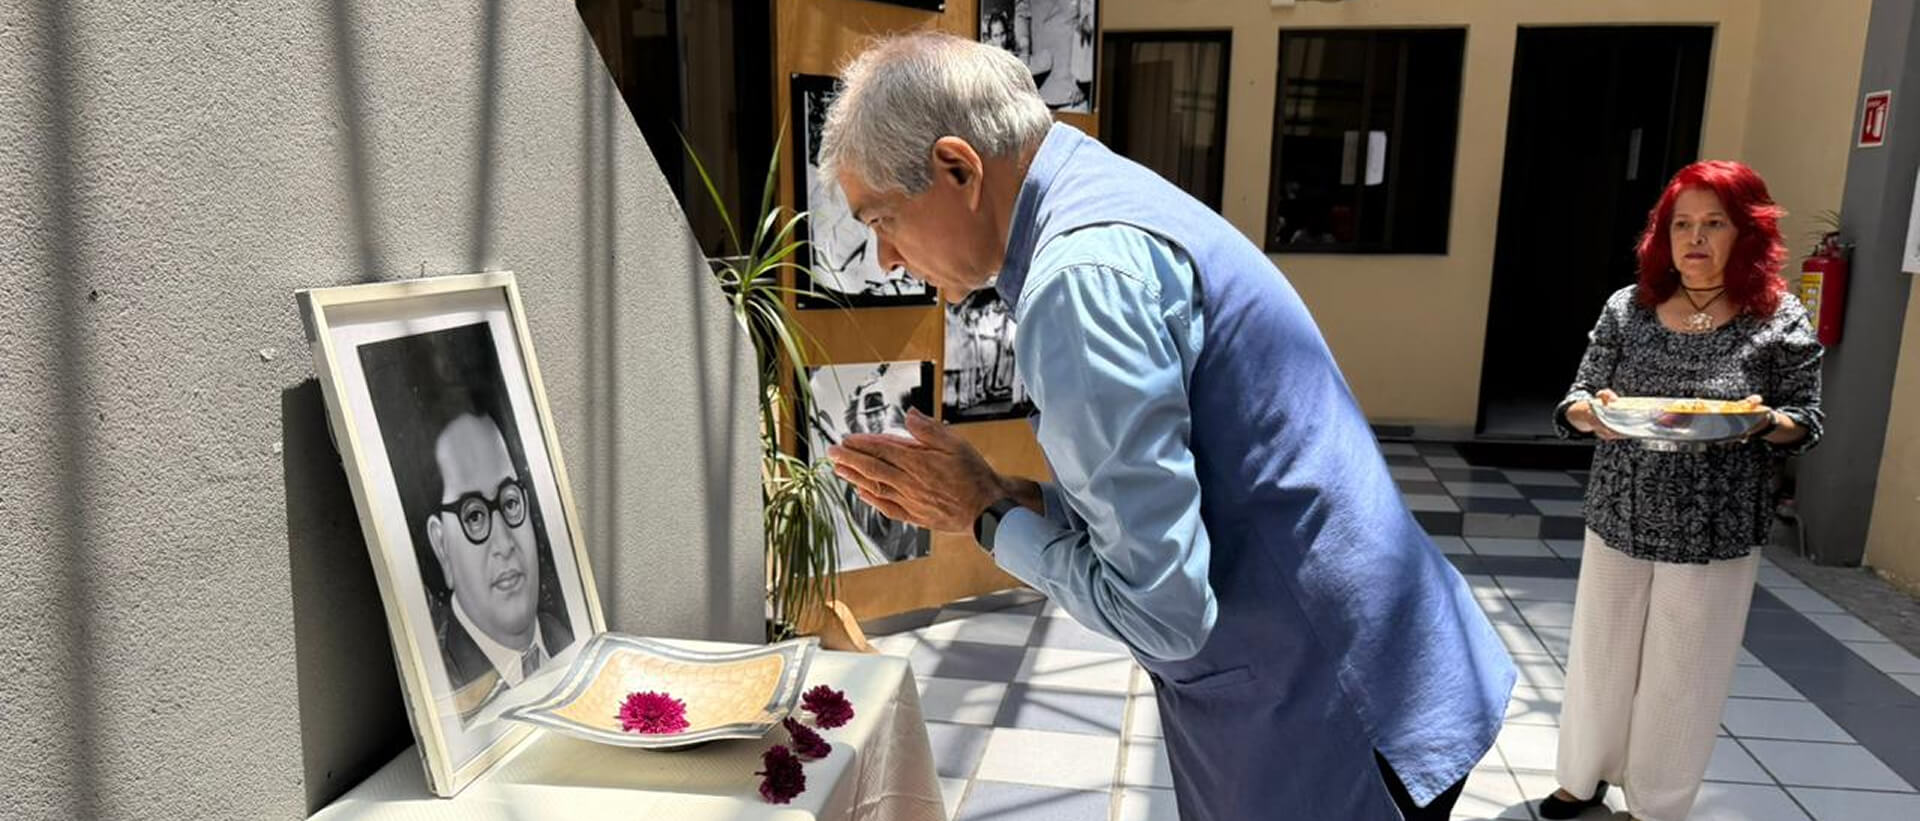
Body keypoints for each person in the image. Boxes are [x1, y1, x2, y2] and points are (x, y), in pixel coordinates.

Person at [817, 32, 1513, 820]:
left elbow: (1163, 611)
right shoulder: (1096, 185)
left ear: (957, 169)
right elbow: (1191, 475)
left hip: (1335, 712)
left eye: (884, 218)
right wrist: (1006, 493)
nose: (883, 258)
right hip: (1386, 659)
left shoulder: (1077, 281)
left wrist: (984, 517)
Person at [1540, 161, 1822, 821]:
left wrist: (1760, 421)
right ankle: (1581, 777)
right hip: (1621, 511)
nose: (1694, 239)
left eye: (1714, 224)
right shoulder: (1628, 306)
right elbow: (1577, 400)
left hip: (1715, 526)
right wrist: (1595, 412)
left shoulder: (1777, 318)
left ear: (1746, 233)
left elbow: (1804, 423)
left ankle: (1658, 801)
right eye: (1681, 225)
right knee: (1600, 650)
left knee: (1683, 668)